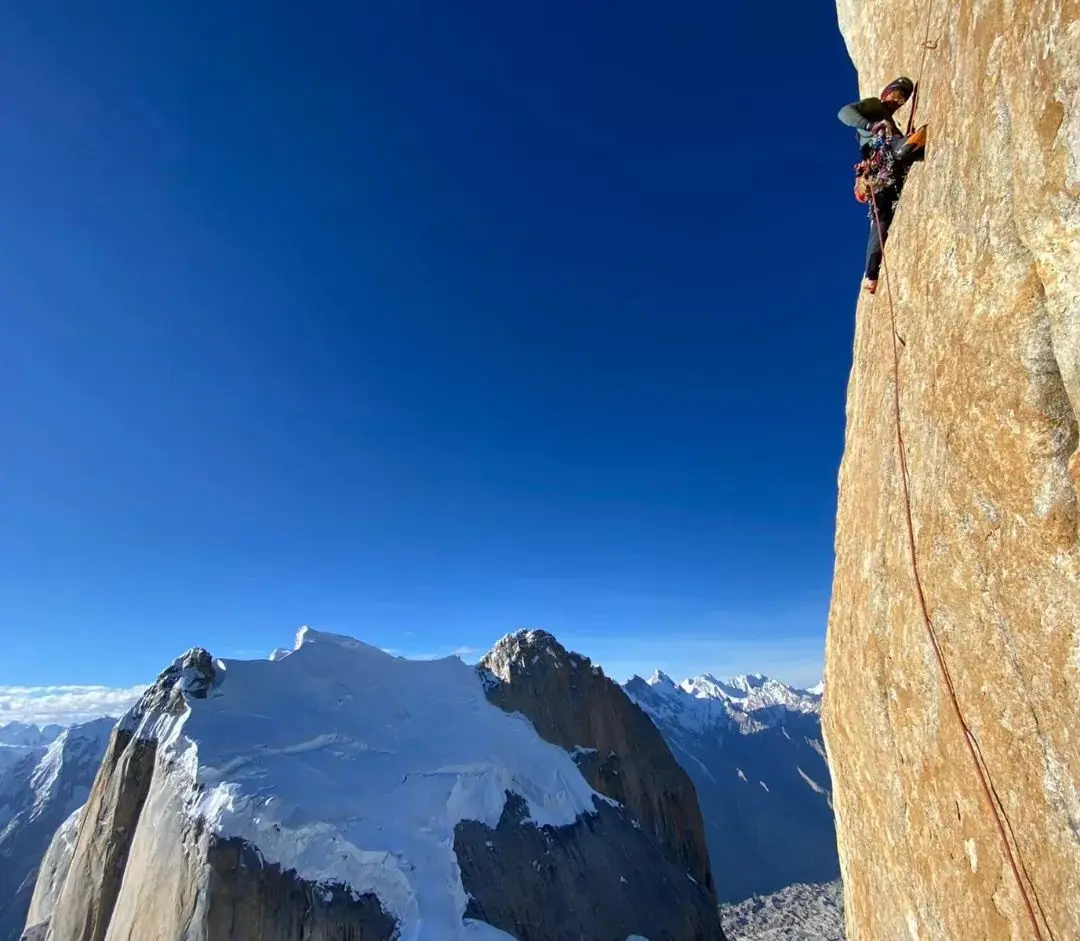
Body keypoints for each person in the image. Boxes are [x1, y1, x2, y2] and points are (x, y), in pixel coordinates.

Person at [838, 77, 916, 294]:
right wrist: (870, 125)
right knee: (879, 218)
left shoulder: (889, 122)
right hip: (880, 157)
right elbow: (844, 112)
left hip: (888, 171)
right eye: (896, 94)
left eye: (902, 99)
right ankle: (871, 273)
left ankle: (871, 274)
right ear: (886, 93)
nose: (898, 101)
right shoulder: (874, 106)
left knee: (881, 219)